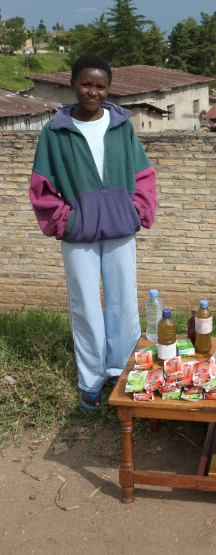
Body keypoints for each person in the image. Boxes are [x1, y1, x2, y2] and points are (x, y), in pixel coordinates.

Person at [29, 54, 157, 409]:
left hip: (120, 229)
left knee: (123, 304)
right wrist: (66, 221)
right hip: (78, 235)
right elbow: (41, 188)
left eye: (101, 86)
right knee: (85, 305)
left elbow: (144, 176)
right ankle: (91, 380)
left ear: (109, 88)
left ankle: (122, 370)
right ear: (72, 84)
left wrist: (137, 211)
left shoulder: (121, 126)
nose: (93, 91)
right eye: (86, 84)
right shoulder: (55, 131)